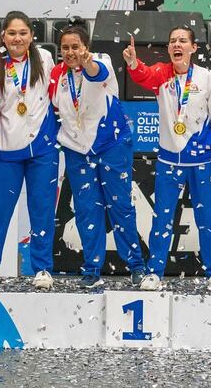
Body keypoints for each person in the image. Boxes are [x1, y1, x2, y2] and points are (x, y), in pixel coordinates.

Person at [123, 27, 211, 292]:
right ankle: (154, 272)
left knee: (207, 218)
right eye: (172, 41)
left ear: (194, 48)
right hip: (170, 160)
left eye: (183, 40)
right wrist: (133, 63)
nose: (177, 45)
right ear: (169, 48)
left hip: (203, 160)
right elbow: (142, 76)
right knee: (162, 218)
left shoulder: (208, 77)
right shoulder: (161, 74)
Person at [0, 11, 58, 290]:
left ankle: (41, 268)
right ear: (2, 36)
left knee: (41, 209)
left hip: (42, 148)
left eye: (23, 33)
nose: (17, 38)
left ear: (31, 35)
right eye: (12, 33)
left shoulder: (44, 58)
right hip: (7, 148)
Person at [48, 23, 145, 288]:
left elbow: (95, 73)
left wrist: (87, 62)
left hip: (111, 146)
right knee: (86, 210)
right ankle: (91, 268)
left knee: (121, 206)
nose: (71, 53)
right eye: (65, 48)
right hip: (77, 150)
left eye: (75, 47)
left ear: (86, 47)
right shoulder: (57, 75)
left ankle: (135, 265)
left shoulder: (101, 61)